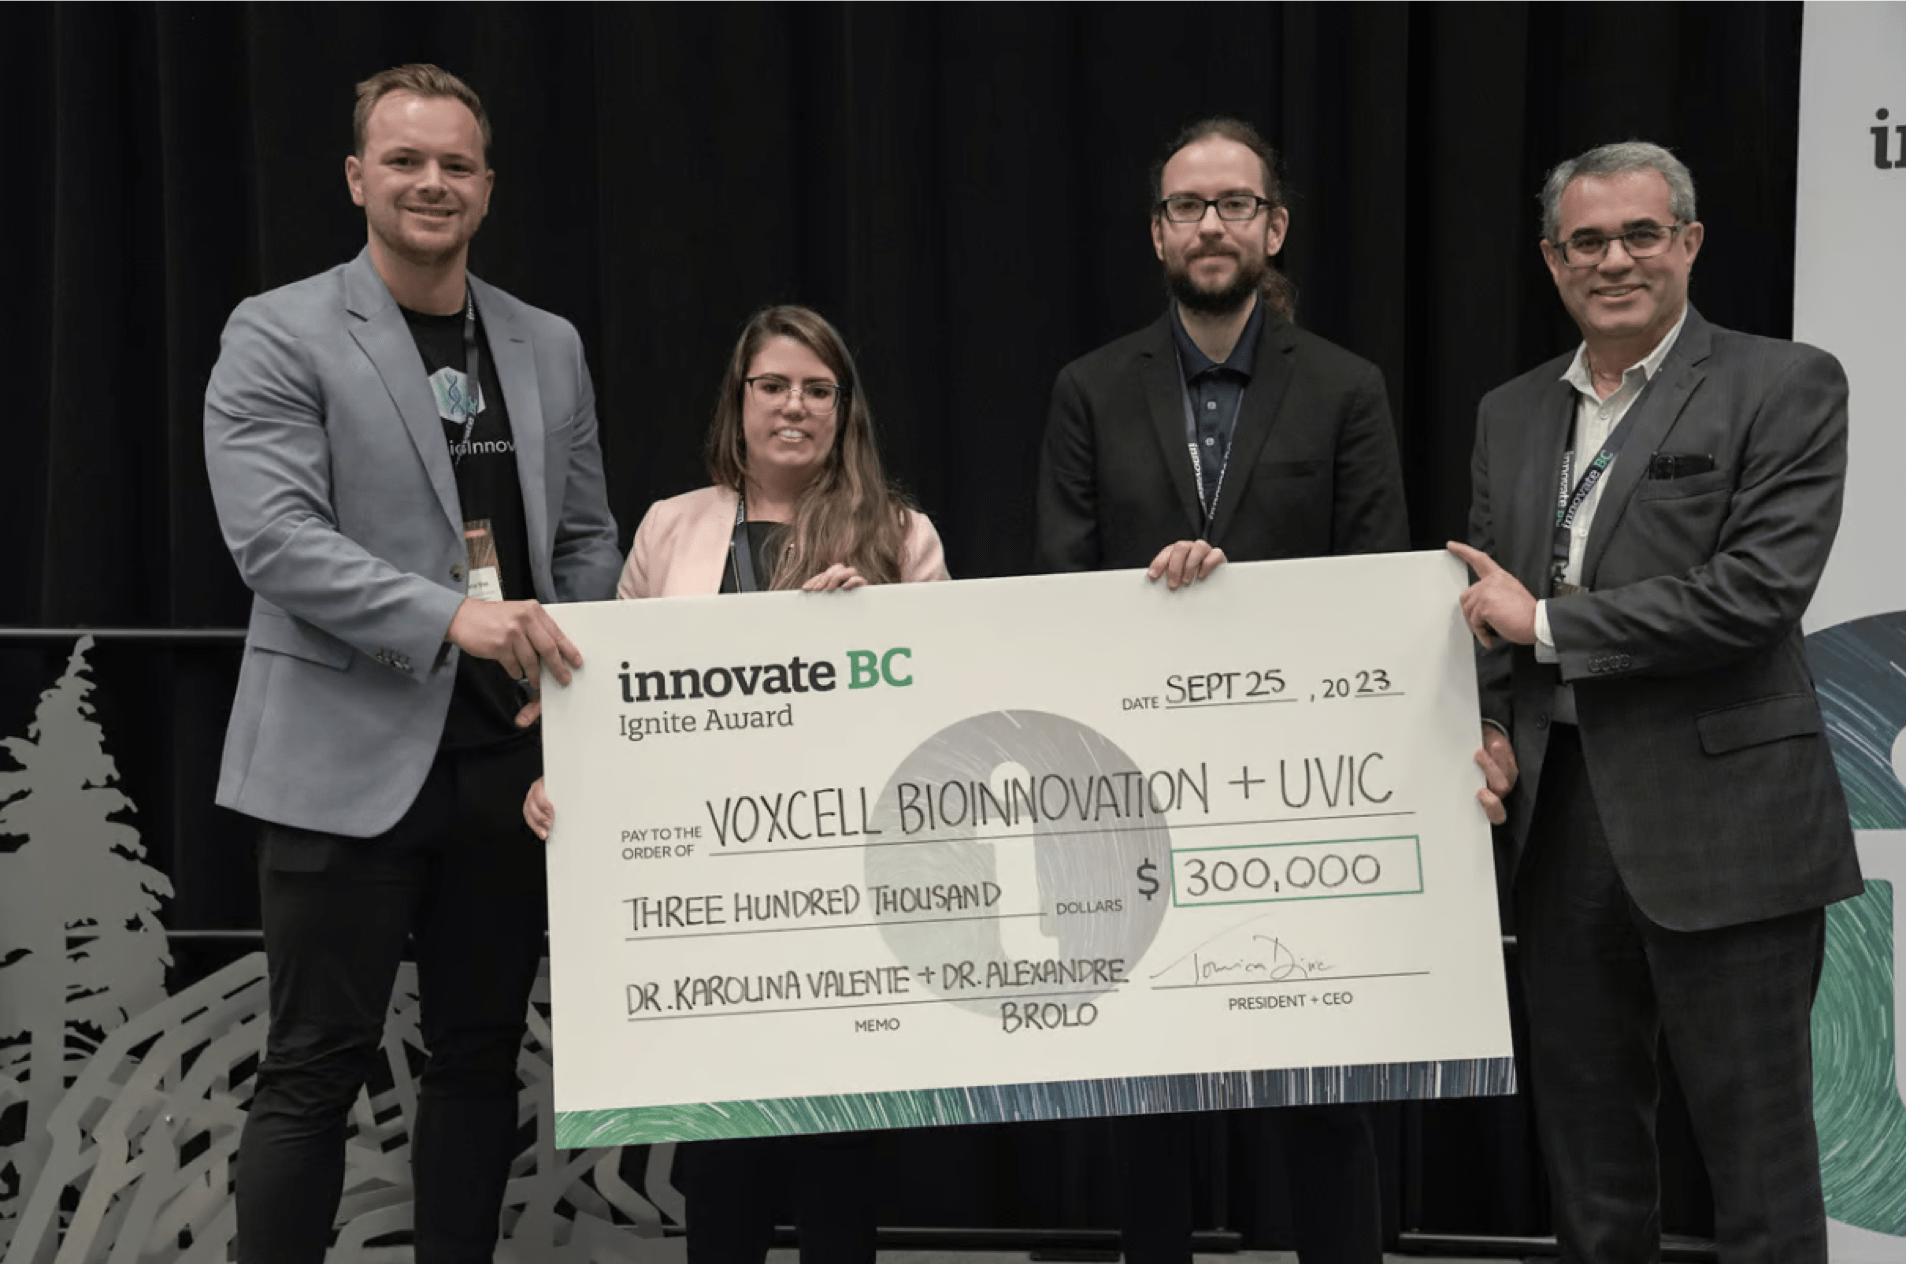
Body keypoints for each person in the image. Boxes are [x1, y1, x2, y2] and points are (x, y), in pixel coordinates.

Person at [202, 64, 621, 1264]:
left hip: (508, 761)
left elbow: (584, 533)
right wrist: (453, 618)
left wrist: (563, 660)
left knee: (479, 1058)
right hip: (342, 761)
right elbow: (276, 540)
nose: (431, 182)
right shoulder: (276, 330)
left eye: (454, 165)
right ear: (356, 178)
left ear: (487, 188)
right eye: (404, 160)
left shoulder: (547, 342)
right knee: (312, 1068)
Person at [1449, 140, 1861, 1263]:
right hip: (1559, 825)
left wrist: (1549, 623)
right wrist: (1488, 726)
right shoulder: (1509, 412)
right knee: (1590, 1181)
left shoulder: (1785, 382)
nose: (1614, 260)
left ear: (1688, 242)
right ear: (1552, 261)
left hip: (1730, 826)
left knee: (1760, 1179)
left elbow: (1755, 593)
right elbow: (1484, 609)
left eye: (1640, 234)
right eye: (1586, 241)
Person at [1035, 117, 1407, 1264]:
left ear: (1272, 227)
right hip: (1134, 792)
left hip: (1299, 796)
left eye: (1234, 204)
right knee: (1149, 1094)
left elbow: (1375, 588)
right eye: (1187, 206)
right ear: (1157, 233)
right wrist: (1156, 609)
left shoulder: (1344, 387)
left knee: (1320, 1092)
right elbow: (1059, 588)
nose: (1210, 224)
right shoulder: (1090, 389)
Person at [525, 304, 947, 1264]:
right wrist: (564, 780)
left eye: (817, 390)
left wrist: (878, 626)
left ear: (844, 409)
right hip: (704, 900)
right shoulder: (670, 526)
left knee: (838, 1167)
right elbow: (609, 701)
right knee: (722, 1170)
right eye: (774, 386)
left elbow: (939, 714)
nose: (795, 406)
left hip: (845, 896)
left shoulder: (901, 535)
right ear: (740, 400)